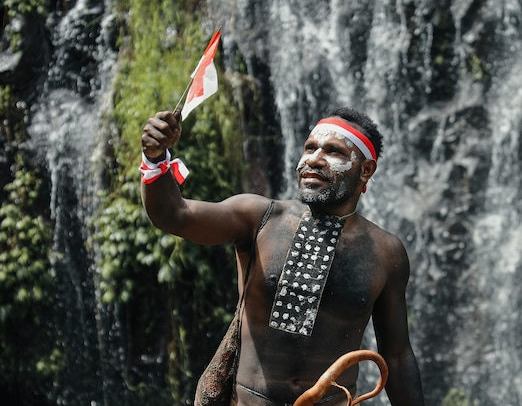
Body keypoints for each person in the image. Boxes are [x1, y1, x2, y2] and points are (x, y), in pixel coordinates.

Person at [140, 107, 425, 406]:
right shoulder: (259, 218)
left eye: (333, 151)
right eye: (310, 148)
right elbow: (174, 215)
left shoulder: (386, 252)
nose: (314, 160)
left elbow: (396, 354)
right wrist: (155, 157)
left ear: (365, 170)